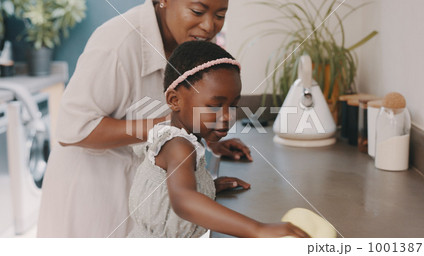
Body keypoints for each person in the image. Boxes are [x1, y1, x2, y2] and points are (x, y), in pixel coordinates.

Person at [38, 0, 251, 238]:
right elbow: (73, 129)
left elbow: (189, 104)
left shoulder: (194, 41)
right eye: (197, 11)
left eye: (220, 15)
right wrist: (171, 128)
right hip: (92, 193)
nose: (209, 26)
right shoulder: (117, 43)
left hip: (144, 196)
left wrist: (206, 148)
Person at [128, 41, 309, 238]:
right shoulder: (178, 145)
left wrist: (206, 187)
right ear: (174, 100)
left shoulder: (182, 135)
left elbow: (172, 190)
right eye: (215, 106)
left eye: (233, 105)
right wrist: (258, 229)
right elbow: (183, 201)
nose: (227, 116)